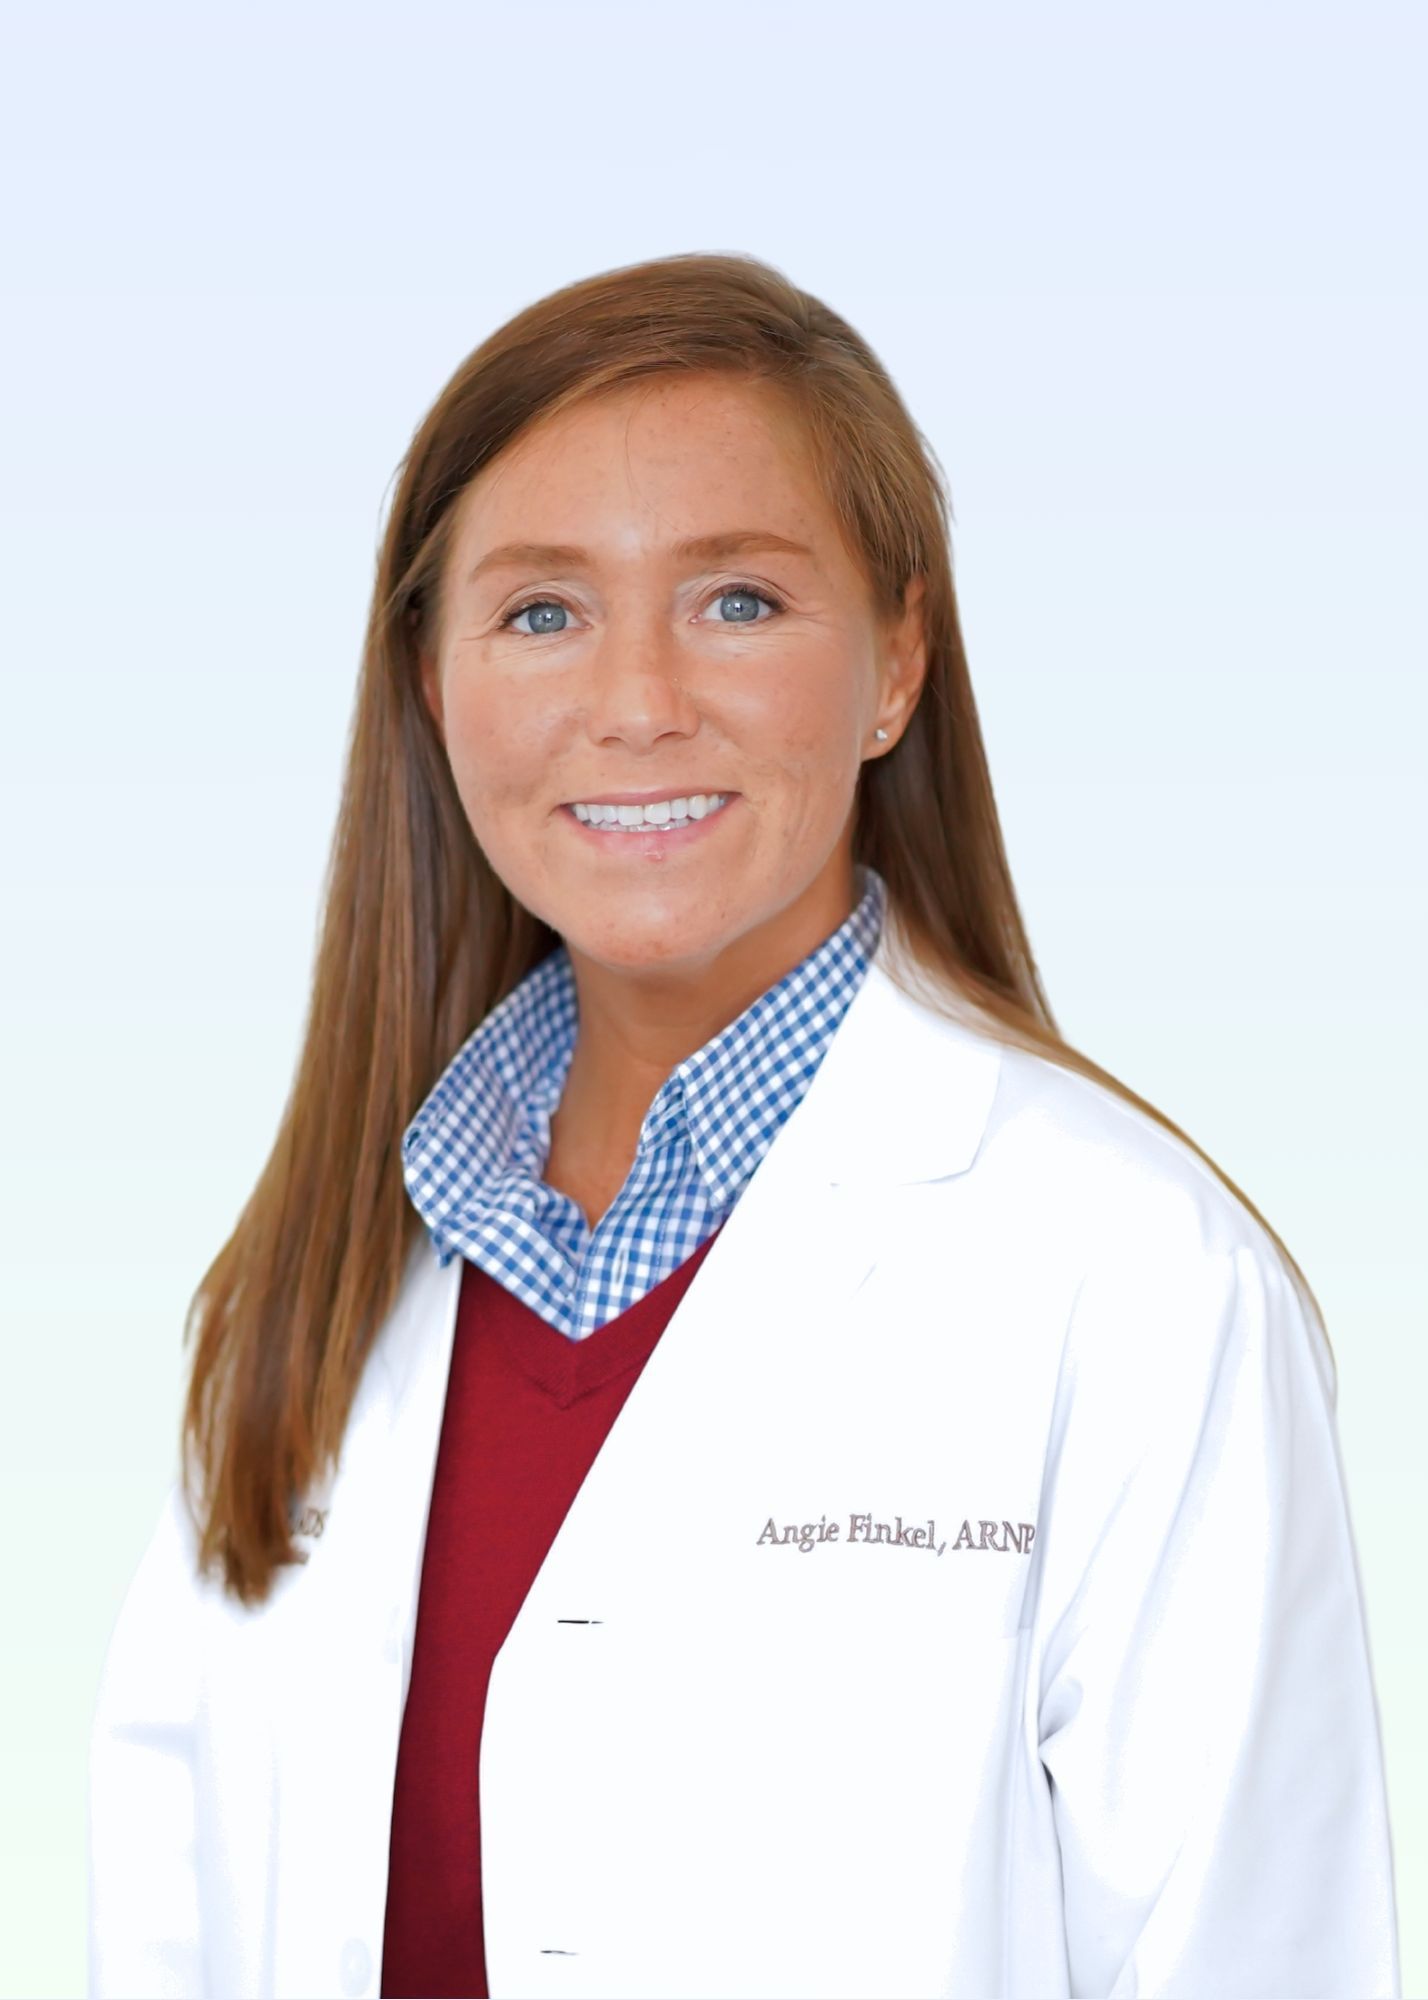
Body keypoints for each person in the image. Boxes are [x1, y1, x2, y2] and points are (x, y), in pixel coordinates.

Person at [86, 251, 1400, 2000]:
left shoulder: (1141, 1290)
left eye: (739, 602)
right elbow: (165, 1935)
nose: (636, 701)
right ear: (430, 681)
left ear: (897, 663)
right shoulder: (304, 1297)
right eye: (542, 611)